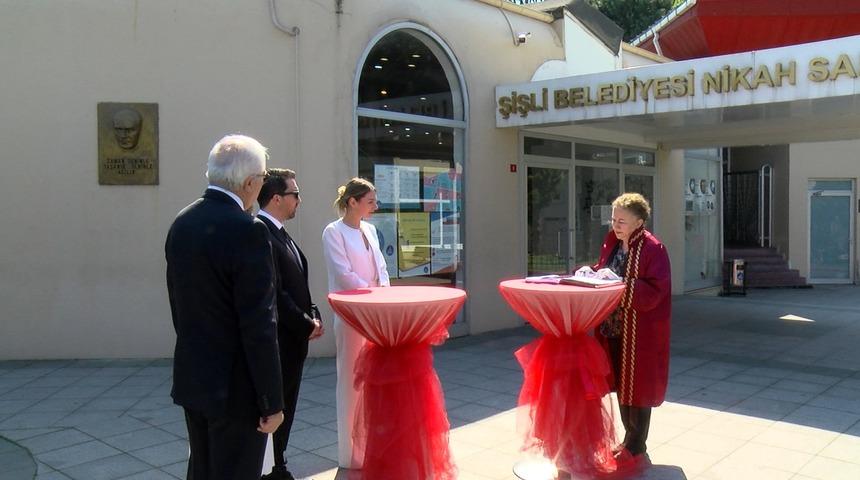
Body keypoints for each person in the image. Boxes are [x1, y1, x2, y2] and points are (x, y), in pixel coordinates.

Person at [165, 134, 284, 480]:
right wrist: (271, 401)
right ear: (250, 182)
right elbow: (260, 324)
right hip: (236, 390)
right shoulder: (249, 231)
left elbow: (179, 306)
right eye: (261, 180)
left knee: (201, 470)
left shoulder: (182, 222)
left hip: (194, 378)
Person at [591, 193, 671, 469]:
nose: (616, 225)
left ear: (639, 222)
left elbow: (656, 290)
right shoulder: (613, 243)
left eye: (622, 220)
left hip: (640, 331)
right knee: (622, 385)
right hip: (613, 326)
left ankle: (637, 443)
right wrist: (590, 274)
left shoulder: (653, 248)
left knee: (638, 387)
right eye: (614, 219)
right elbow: (604, 270)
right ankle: (628, 441)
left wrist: (619, 285)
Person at [257, 168, 324, 480]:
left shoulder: (281, 232)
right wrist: (303, 323)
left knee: (288, 406)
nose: (299, 200)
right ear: (275, 198)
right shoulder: (261, 232)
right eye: (294, 194)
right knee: (275, 410)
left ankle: (278, 461)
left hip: (293, 341)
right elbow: (276, 291)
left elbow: (298, 284)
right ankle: (272, 468)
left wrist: (314, 313)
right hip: (279, 342)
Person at [321, 178, 390, 468]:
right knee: (351, 380)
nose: (375, 206)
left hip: (376, 314)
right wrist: (371, 297)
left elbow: (381, 268)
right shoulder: (333, 232)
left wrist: (385, 299)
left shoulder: (371, 230)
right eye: (370, 201)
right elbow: (344, 273)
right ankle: (351, 453)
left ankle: (372, 444)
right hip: (352, 315)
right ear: (352, 202)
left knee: (375, 380)